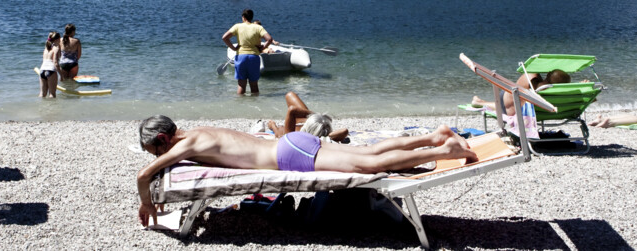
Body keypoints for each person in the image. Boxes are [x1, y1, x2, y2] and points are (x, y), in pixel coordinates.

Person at [135, 115, 476, 227]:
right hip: (291, 142)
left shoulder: (184, 146)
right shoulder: (197, 132)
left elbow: (144, 175)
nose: (160, 154)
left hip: (288, 157)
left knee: (371, 166)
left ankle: (444, 149)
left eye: (156, 149)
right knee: (368, 152)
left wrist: (147, 203)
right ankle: (434, 136)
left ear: (164, 139)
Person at [221, 9, 272, 95]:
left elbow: (224, 37)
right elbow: (269, 39)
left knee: (241, 85)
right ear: (251, 18)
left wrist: (233, 48)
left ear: (243, 17)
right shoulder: (258, 27)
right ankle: (255, 105)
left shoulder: (237, 26)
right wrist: (263, 47)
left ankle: (240, 105)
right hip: (253, 57)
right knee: (254, 85)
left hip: (241, 57)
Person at [471, 69, 570, 113]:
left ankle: (480, 102)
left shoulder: (532, 77)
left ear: (548, 74)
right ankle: (481, 102)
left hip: (510, 101)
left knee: (505, 106)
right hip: (516, 100)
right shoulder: (556, 92)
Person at [267, 92, 349, 142]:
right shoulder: (324, 138)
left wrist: (273, 126)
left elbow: (292, 110)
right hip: (309, 121)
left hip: (306, 121)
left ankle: (313, 116)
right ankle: (314, 116)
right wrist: (315, 116)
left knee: (281, 130)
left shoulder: (293, 136)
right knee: (290, 95)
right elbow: (344, 131)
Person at [39, 31, 62, 98]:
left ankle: (40, 107)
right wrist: (61, 75)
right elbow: (55, 63)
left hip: (42, 70)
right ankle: (52, 108)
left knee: (42, 94)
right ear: (57, 39)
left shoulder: (46, 48)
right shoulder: (56, 48)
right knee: (52, 94)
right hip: (51, 71)